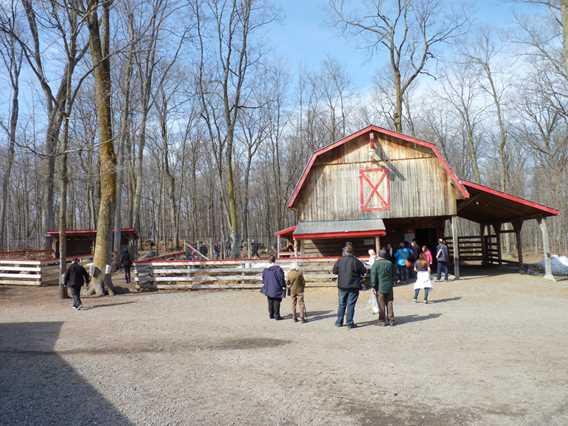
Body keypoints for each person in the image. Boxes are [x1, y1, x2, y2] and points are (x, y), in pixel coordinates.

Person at [332, 243, 366, 329]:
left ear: (344, 252)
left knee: (341, 304)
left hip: (342, 286)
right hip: (353, 286)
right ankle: (349, 323)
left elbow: (334, 271)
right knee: (350, 304)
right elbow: (363, 271)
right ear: (352, 252)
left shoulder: (340, 260)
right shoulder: (356, 261)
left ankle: (339, 322)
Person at [370, 248, 395, 326]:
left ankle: (382, 320)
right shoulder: (390, 263)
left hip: (379, 287)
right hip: (389, 286)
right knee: (389, 302)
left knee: (381, 304)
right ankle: (391, 320)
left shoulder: (376, 264)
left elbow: (373, 276)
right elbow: (393, 274)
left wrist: (373, 286)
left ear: (378, 255)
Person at [261, 256, 286, 320]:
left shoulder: (265, 270)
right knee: (277, 301)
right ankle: (277, 315)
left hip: (268, 287)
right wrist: (283, 286)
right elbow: (281, 279)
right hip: (277, 287)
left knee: (270, 301)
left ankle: (271, 314)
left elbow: (263, 279)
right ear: (274, 260)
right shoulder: (278, 269)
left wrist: (265, 285)